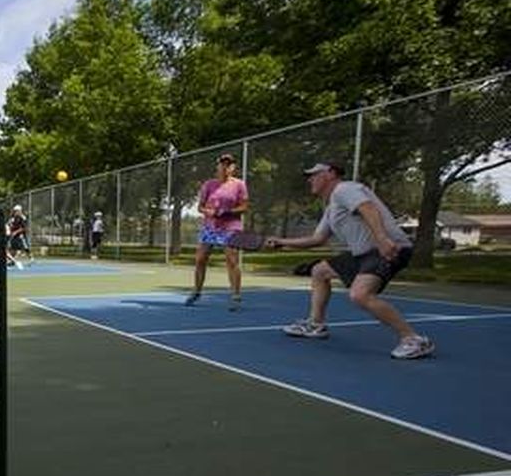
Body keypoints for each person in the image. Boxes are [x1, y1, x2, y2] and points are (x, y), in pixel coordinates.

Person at [267, 162, 433, 359]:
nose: (310, 179)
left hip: (387, 248)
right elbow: (317, 239)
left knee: (360, 295)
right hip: (362, 253)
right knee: (320, 271)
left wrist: (382, 239)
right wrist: (281, 242)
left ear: (330, 173)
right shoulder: (331, 208)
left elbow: (367, 208)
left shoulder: (345, 189)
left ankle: (413, 339)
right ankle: (315, 324)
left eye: (314, 174)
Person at [185, 153, 249, 310]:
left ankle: (236, 296)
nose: (226, 167)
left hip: (231, 227)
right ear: (218, 166)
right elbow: (200, 206)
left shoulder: (239, 184)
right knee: (200, 259)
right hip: (210, 228)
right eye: (223, 164)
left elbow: (244, 206)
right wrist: (209, 212)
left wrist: (227, 212)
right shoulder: (209, 184)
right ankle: (196, 291)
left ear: (233, 167)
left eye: (229, 164)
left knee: (232, 260)